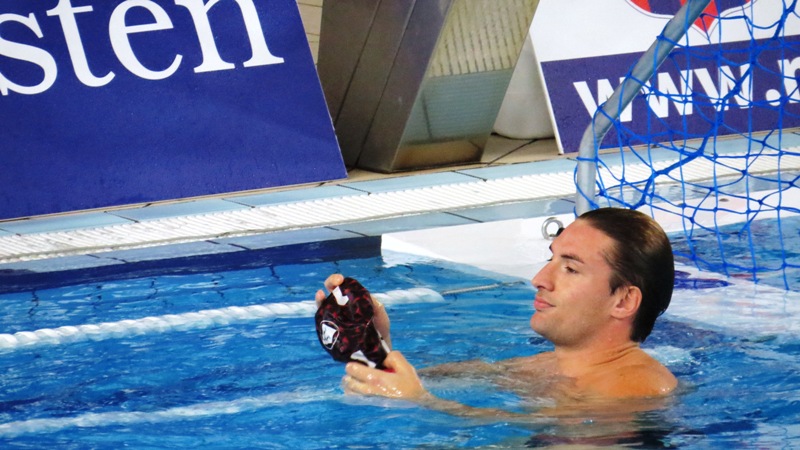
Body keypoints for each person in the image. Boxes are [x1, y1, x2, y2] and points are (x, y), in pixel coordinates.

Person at [315, 207, 678, 417]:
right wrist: (373, 348)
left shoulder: (636, 389)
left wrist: (422, 403)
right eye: (550, 259)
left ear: (623, 301)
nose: (539, 279)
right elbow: (418, 381)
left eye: (570, 268)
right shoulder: (541, 367)